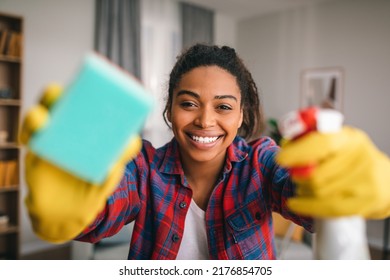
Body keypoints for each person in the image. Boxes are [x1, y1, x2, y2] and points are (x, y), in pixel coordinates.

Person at [22, 43, 390, 260]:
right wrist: (75, 215)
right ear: (169, 109)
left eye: (224, 107)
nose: (205, 120)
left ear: (242, 114)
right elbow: (106, 207)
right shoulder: (143, 165)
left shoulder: (260, 162)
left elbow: (308, 199)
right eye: (189, 103)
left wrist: (360, 189)